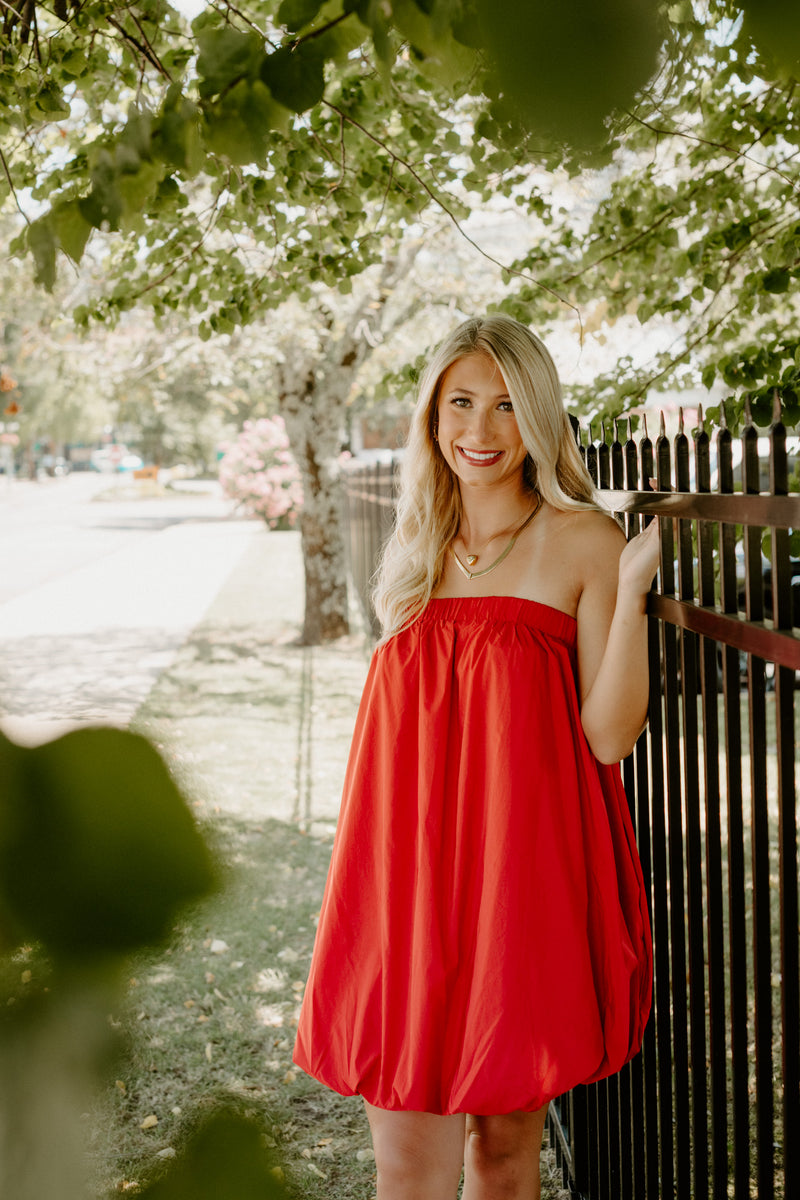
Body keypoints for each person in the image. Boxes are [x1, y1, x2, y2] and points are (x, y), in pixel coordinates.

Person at [293, 315, 660, 1199]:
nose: (480, 431)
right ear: (431, 416)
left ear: (538, 418)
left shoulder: (583, 543)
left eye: (505, 406)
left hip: (515, 883)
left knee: (502, 1154)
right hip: (404, 883)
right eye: (461, 403)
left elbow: (609, 736)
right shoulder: (418, 548)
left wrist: (635, 594)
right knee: (406, 1163)